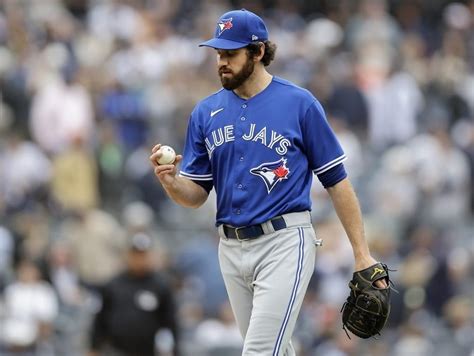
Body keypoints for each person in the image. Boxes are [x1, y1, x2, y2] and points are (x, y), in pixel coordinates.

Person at [149, 9, 387, 356]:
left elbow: (337, 182)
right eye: (218, 54)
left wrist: (361, 253)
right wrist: (171, 182)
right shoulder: (205, 112)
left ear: (258, 52)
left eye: (231, 53)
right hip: (230, 248)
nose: (221, 62)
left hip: (284, 243)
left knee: (259, 352)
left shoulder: (299, 104)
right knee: (276, 350)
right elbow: (196, 195)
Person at [89, 233, 178, 356]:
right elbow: (100, 319)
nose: (139, 259)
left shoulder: (160, 286)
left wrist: (175, 350)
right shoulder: (113, 285)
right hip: (116, 350)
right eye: (135, 254)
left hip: (149, 352)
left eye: (143, 254)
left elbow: (171, 322)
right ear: (128, 255)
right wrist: (93, 348)